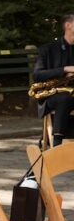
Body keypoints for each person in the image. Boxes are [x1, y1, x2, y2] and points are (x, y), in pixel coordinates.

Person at [33, 12, 74, 146]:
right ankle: (57, 144)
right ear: (68, 25)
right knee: (65, 98)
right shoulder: (48, 49)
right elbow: (37, 75)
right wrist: (65, 69)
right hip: (53, 94)